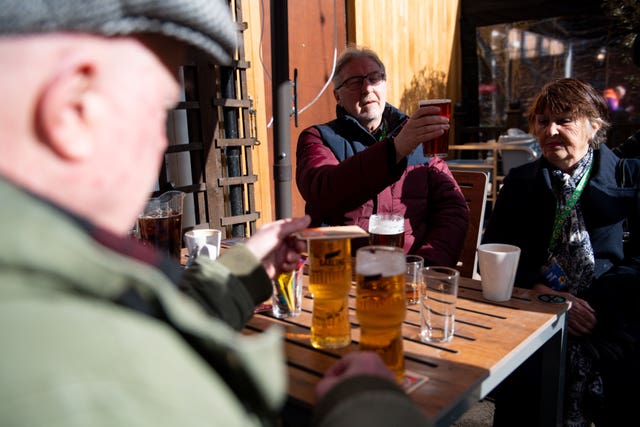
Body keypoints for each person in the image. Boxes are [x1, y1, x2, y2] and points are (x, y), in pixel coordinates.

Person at [0, 2, 431, 427]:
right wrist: (366, 403)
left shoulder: (47, 291)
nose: (159, 145)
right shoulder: (112, 386)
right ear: (73, 110)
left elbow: (158, 334)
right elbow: (324, 189)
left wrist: (238, 274)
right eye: (157, 110)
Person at [482, 77, 640, 426]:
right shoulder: (521, 183)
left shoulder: (627, 179)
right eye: (542, 121)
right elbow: (496, 254)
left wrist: (595, 307)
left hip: (610, 322)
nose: (550, 129)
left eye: (564, 120)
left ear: (593, 126)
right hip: (535, 319)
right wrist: (539, 291)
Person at [296, 45, 469, 267]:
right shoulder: (318, 137)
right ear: (337, 95)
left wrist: (426, 266)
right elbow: (323, 191)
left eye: (374, 78)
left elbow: (452, 210)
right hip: (345, 271)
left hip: (410, 274)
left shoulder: (417, 137)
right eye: (355, 81)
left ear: (384, 84)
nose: (367, 88)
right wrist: (395, 149)